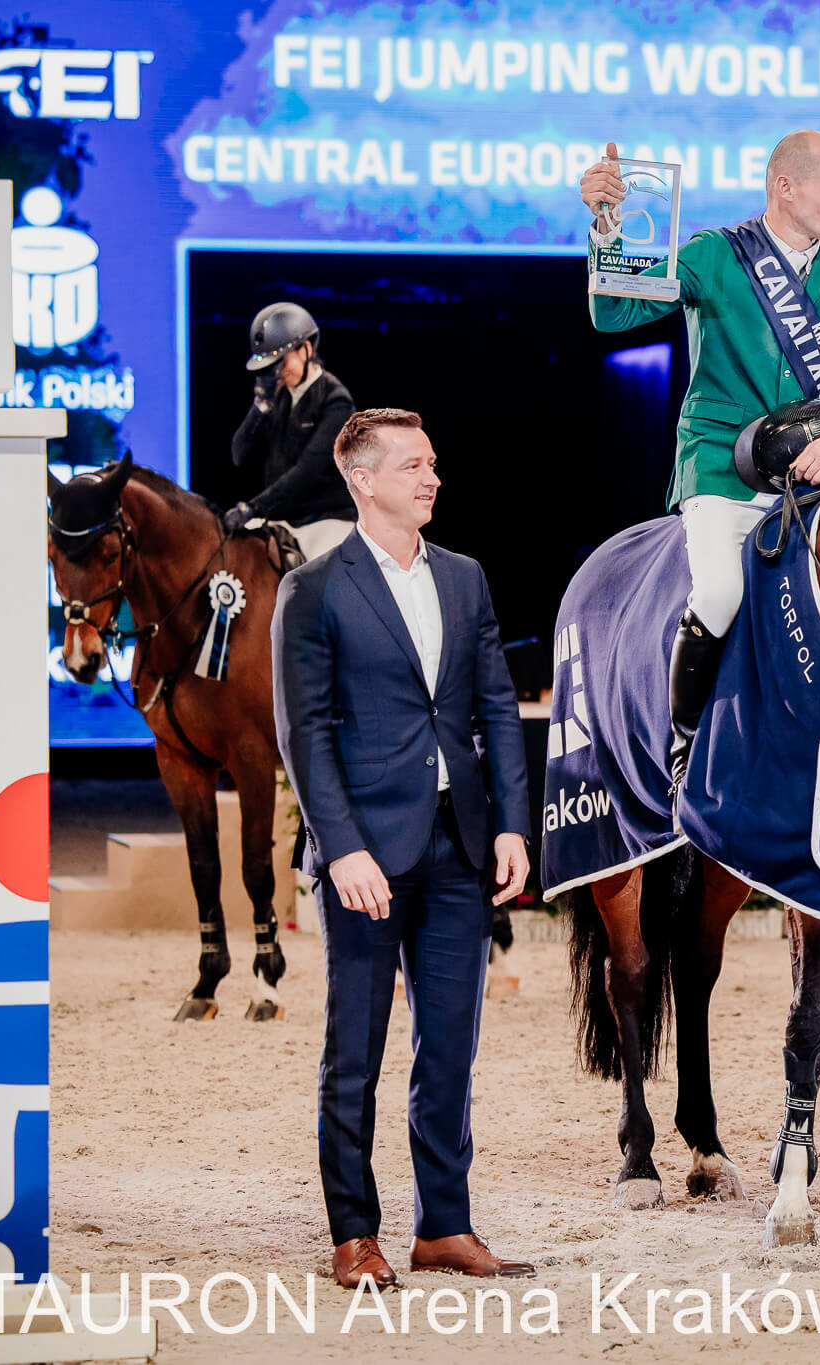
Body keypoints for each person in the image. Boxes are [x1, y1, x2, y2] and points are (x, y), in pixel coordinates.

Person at [271, 408, 533, 1290]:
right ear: (365, 481)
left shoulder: (464, 578)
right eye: (415, 466)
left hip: (460, 845)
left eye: (433, 464)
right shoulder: (313, 589)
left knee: (449, 1045)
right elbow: (303, 732)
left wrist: (509, 822)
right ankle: (355, 1232)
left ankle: (444, 1227)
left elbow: (496, 705)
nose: (432, 478)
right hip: (364, 858)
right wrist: (338, 847)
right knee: (357, 1046)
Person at [578, 130, 820, 784]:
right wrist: (606, 225)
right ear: (785, 187)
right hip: (721, 472)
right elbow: (612, 315)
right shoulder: (714, 256)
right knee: (724, 589)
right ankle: (685, 744)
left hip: (817, 484)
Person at [228, 302, 357, 561]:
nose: (276, 372)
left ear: (306, 349)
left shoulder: (336, 401)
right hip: (282, 519)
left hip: (326, 521)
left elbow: (305, 472)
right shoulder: (278, 398)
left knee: (318, 583)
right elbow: (239, 456)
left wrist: (253, 507)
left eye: (280, 361)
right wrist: (260, 407)